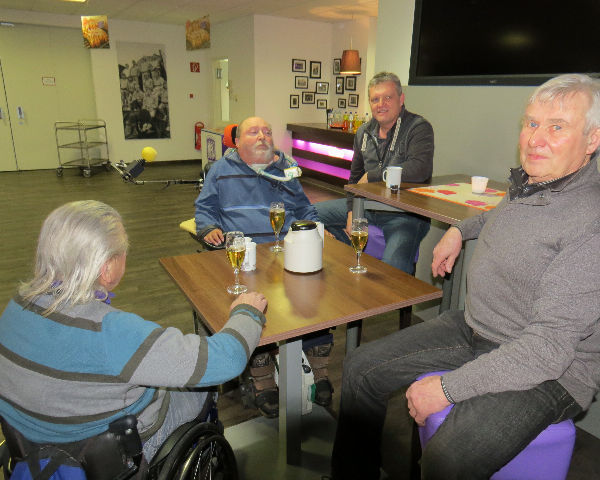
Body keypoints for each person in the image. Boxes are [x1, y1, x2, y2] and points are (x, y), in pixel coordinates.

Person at [330, 73, 600, 479]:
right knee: (360, 369)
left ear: (593, 138)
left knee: (448, 457)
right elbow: (500, 216)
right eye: (532, 123)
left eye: (557, 127)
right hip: (478, 329)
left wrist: (447, 389)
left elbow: (546, 350)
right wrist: (460, 230)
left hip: (551, 371)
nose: (535, 139)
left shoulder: (598, 227)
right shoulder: (535, 182)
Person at [0, 200, 268, 464]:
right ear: (107, 268)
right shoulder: (111, 332)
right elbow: (226, 360)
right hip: (111, 452)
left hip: (32, 446)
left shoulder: (16, 306)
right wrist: (247, 312)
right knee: (203, 385)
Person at [195, 116, 335, 416]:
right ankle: (262, 379)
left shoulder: (285, 170)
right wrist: (208, 228)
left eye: (267, 132)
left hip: (286, 251)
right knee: (253, 307)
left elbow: (304, 208)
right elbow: (204, 208)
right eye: (253, 131)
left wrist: (318, 231)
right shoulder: (220, 170)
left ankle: (319, 369)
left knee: (316, 301)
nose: (262, 136)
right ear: (237, 141)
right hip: (245, 255)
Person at [315, 71, 434, 274]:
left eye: (388, 97)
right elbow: (354, 179)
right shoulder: (364, 132)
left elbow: (419, 169)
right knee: (308, 215)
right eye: (375, 99)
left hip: (404, 215)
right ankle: (348, 258)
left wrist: (373, 175)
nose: (381, 104)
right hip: (366, 207)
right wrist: (352, 211)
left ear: (401, 99)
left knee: (393, 266)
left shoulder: (418, 128)